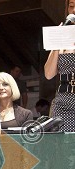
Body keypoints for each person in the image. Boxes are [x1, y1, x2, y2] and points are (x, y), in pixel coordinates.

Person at [44, 0, 75, 132]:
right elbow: (49, 74)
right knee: (63, 147)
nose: (74, 10)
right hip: (63, 101)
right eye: (71, 6)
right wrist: (57, 41)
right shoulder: (63, 41)